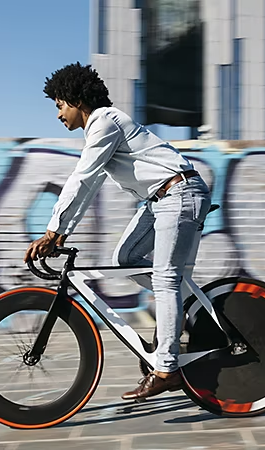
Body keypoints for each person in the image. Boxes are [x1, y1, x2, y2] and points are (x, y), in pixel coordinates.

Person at [23, 62, 212, 401]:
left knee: (165, 278)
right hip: (161, 199)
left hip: (179, 193)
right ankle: (180, 308)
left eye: (59, 105)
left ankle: (167, 369)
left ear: (76, 100)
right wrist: (62, 231)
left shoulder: (105, 122)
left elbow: (82, 178)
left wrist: (53, 231)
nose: (58, 114)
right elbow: (90, 183)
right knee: (125, 258)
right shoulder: (100, 128)